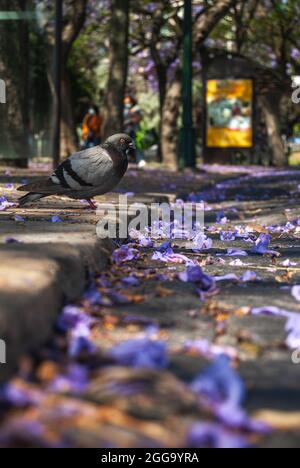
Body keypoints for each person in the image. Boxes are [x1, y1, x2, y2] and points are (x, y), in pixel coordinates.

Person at [123, 95, 146, 167]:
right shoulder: (123, 109)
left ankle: (140, 160)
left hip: (135, 130)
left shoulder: (136, 108)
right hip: (126, 130)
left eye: (128, 102)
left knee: (137, 145)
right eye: (126, 102)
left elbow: (140, 118)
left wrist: (131, 119)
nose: (127, 104)